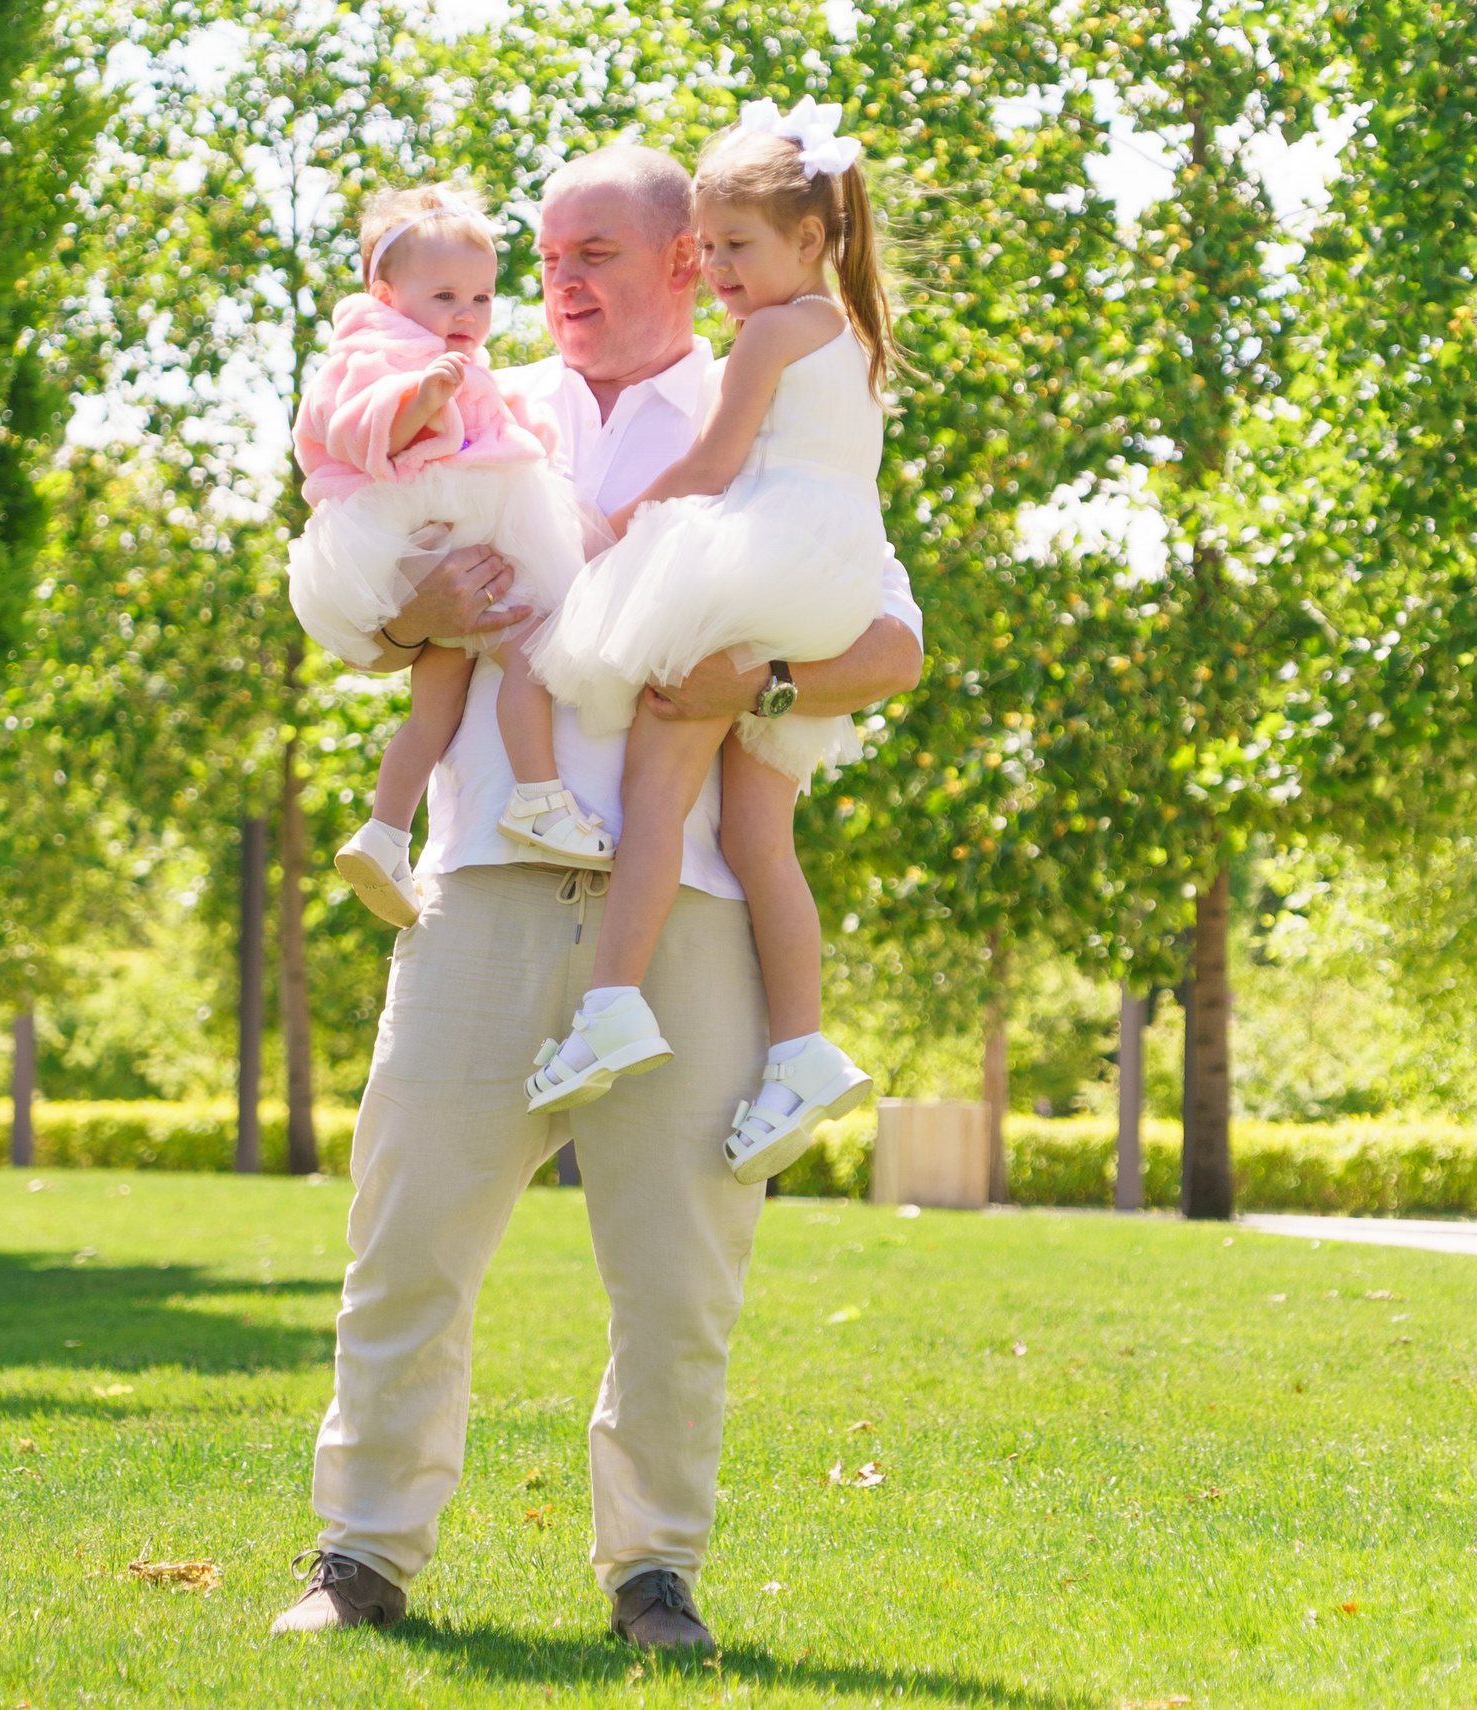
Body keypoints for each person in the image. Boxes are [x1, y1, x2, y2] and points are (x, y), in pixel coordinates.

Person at [269, 140, 925, 1650]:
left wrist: (754, 676)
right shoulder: (481, 397)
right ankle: (361, 1556)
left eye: (595, 257)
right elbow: (364, 594)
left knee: (680, 1281)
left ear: (687, 262)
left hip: (689, 917)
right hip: (482, 892)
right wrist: (410, 608)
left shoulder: (774, 397)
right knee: (407, 1244)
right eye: (546, 260)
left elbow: (889, 645)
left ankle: (654, 1574)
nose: (557, 286)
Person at [524, 100, 888, 1185]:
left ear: (809, 240)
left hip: (756, 566)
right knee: (758, 838)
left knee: (654, 789)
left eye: (734, 246)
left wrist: (631, 522)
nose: (718, 269)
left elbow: (716, 466)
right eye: (710, 248)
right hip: (833, 580)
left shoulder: (770, 335)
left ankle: (611, 1005)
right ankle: (802, 1046)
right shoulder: (854, 336)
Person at [287, 185, 613, 931]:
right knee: (530, 649)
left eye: (481, 297)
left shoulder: (454, 358)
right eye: (444, 296)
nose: (465, 315)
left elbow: (500, 422)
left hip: (432, 539)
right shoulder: (379, 352)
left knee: (432, 715)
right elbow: (358, 425)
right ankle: (539, 798)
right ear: (385, 292)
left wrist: (519, 427)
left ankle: (384, 835)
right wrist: (420, 397)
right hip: (414, 532)